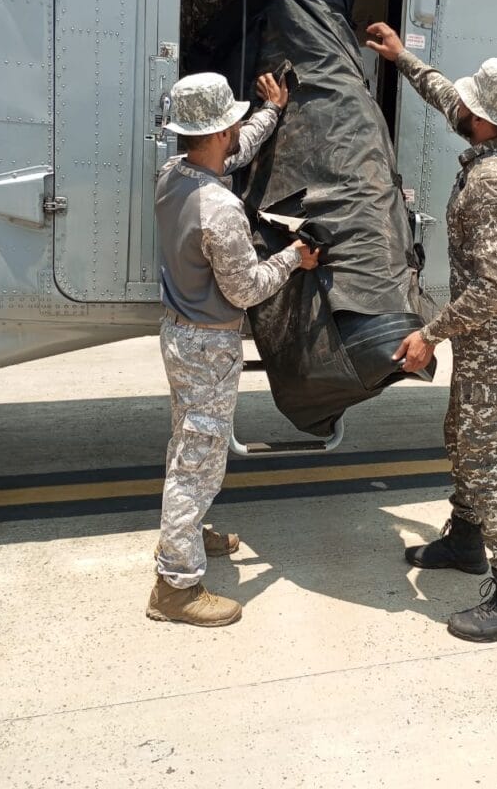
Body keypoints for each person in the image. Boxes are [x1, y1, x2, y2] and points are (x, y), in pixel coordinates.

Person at [365, 22, 497, 643]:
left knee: (484, 456)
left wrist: (431, 334)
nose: (457, 107)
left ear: (485, 120)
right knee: (460, 437)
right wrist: (403, 58)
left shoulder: (494, 185)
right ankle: (466, 540)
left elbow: (495, 289)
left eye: (468, 104)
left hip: (494, 333)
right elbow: (450, 98)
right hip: (485, 332)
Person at [147, 70, 319, 627]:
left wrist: (271, 111)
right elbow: (246, 288)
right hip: (209, 344)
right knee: (197, 463)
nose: (237, 132)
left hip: (180, 334)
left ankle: (187, 534)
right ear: (221, 130)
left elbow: (235, 152)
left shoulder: (172, 175)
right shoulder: (219, 208)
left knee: (188, 444)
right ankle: (175, 586)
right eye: (233, 124)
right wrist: (294, 258)